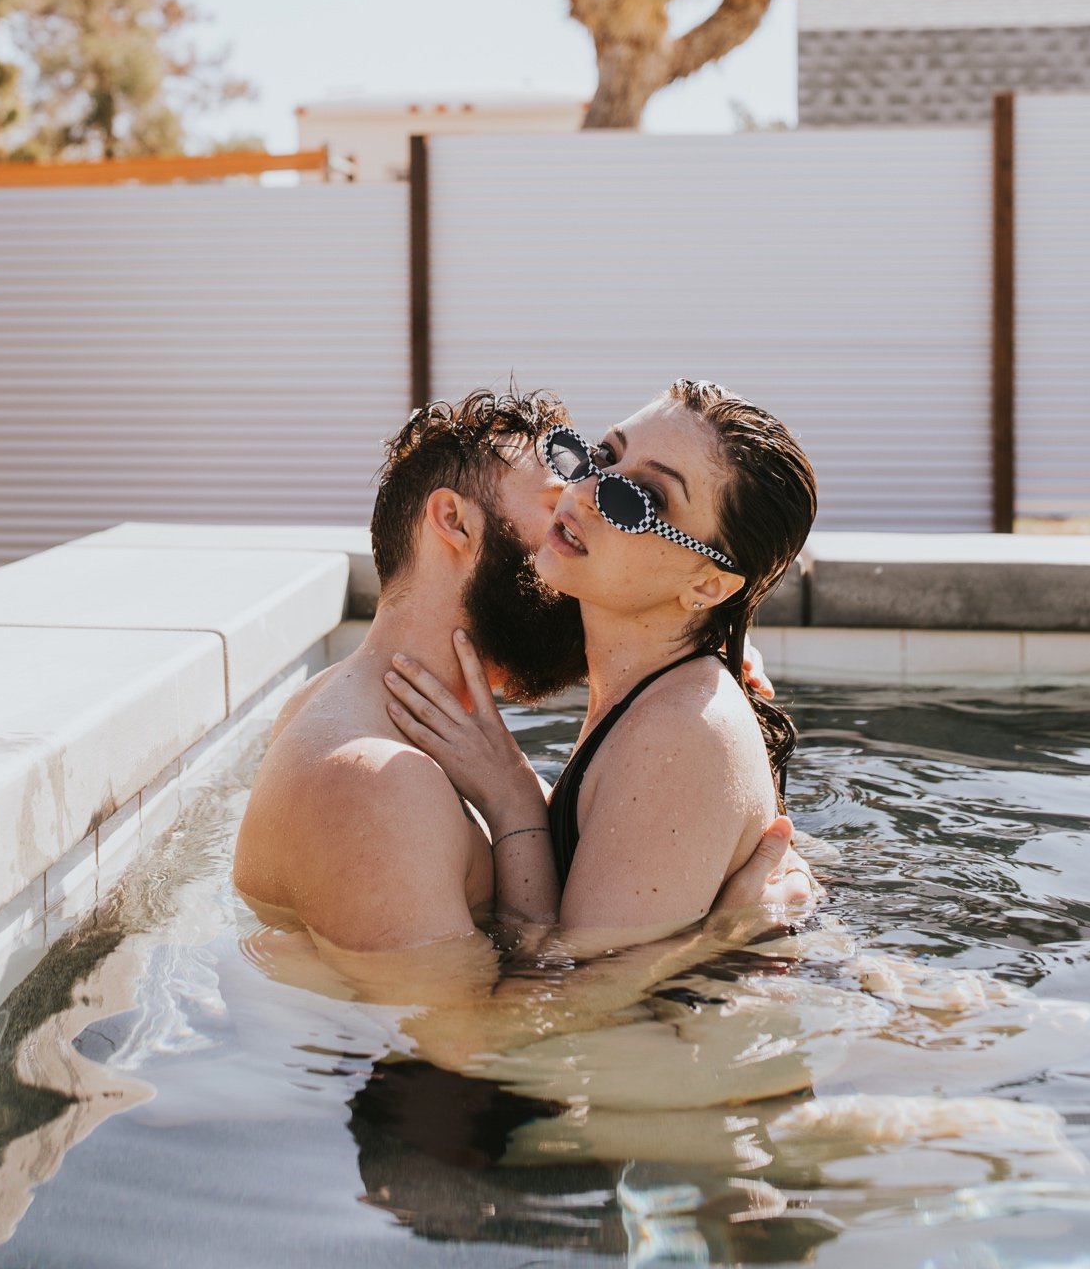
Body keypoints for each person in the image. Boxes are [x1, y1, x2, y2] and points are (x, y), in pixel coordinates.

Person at [233, 388, 810, 961]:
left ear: (708, 585)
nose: (582, 493)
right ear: (452, 522)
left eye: (640, 500)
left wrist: (721, 939)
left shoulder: (680, 724)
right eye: (599, 458)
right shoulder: (383, 774)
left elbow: (556, 1012)